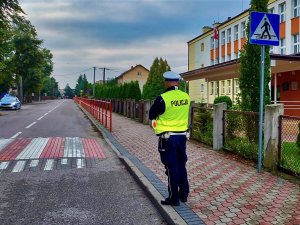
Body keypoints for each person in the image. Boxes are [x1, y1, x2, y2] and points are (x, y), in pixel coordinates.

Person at [149, 71, 190, 206]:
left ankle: (174, 198)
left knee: (172, 167)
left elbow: (151, 115)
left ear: (166, 82)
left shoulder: (162, 98)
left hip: (168, 139)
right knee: (181, 165)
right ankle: (184, 194)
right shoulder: (186, 97)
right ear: (178, 82)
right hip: (182, 137)